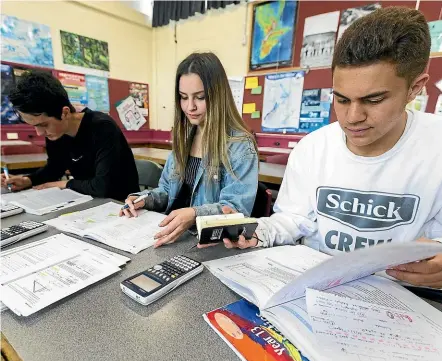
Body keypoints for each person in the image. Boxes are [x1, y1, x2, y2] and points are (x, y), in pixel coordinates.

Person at [218, 7, 442, 289]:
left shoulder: (436, 148)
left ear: (415, 88)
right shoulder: (312, 147)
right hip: (318, 289)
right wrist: (258, 231)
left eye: (373, 100)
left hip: (401, 298)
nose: (352, 117)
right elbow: (294, 219)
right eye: (342, 99)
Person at [120, 52, 259, 248]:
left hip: (207, 246)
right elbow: (167, 191)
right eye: (183, 97)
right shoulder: (184, 136)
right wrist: (145, 199)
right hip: (171, 238)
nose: (190, 107)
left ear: (218, 96)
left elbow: (235, 210)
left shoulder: (240, 145)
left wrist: (194, 215)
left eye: (200, 97)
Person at [0, 71, 139, 201]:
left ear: (65, 113)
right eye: (34, 126)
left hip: (119, 204)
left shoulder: (103, 127)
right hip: (86, 201)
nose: (39, 133)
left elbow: (103, 187)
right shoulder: (56, 132)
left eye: (43, 125)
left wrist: (64, 184)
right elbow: (54, 168)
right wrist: (27, 180)